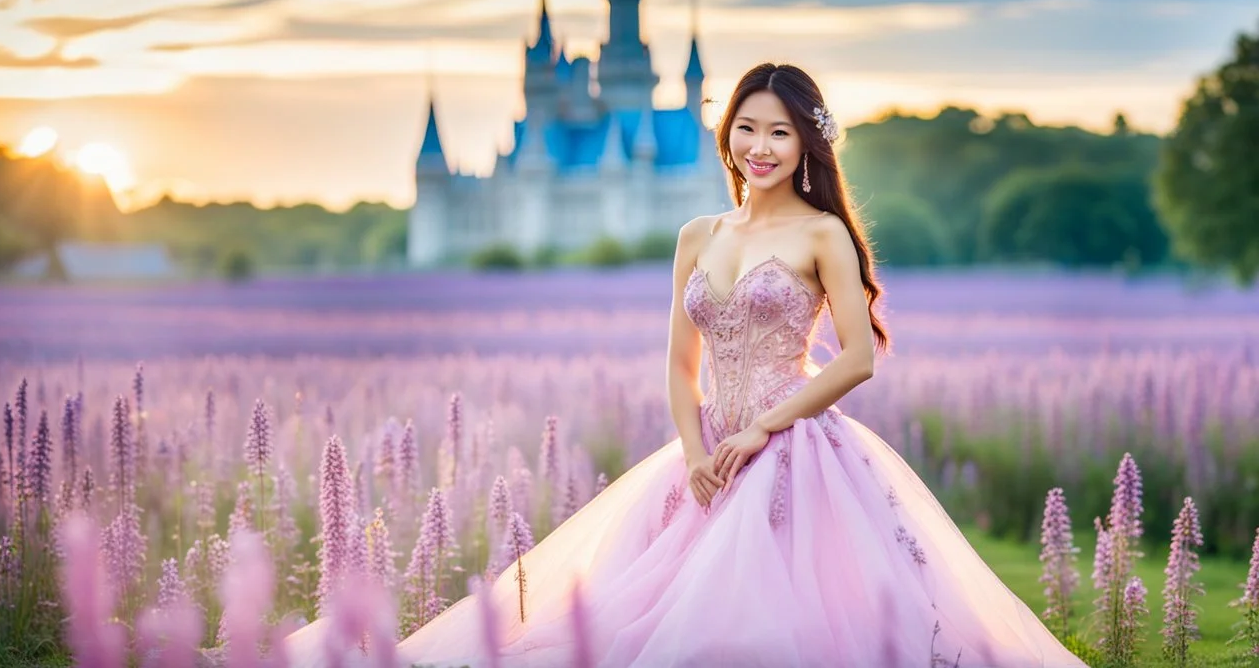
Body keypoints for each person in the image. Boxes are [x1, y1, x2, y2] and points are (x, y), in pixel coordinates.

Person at [287, 63, 1090, 667]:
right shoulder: (698, 236)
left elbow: (855, 361)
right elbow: (679, 362)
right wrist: (701, 449)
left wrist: (761, 432)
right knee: (634, 618)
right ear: (726, 134)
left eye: (779, 131)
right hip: (705, 452)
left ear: (806, 141)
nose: (761, 147)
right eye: (747, 128)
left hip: (794, 448)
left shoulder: (822, 235)